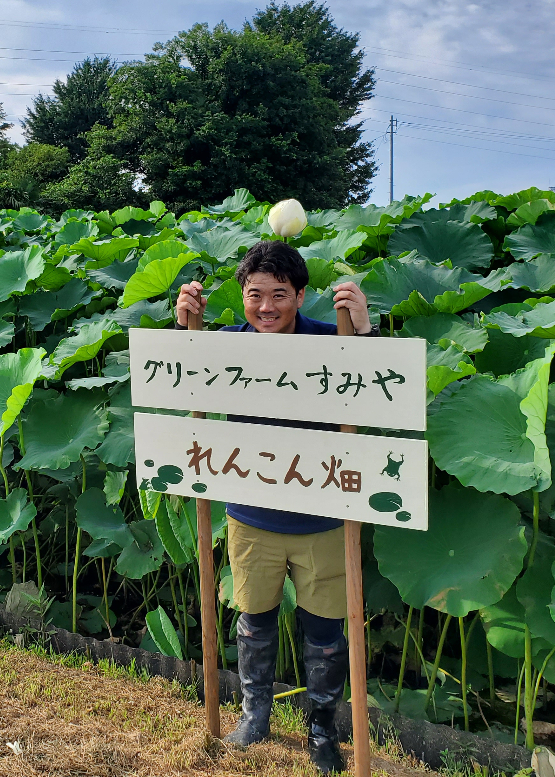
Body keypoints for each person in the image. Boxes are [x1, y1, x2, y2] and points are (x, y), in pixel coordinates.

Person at [174, 239, 378, 772]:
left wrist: (365, 332)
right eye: (255, 294)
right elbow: (183, 378)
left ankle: (322, 731)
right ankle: (254, 714)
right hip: (251, 513)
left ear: (302, 295)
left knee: (325, 628)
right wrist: (184, 329)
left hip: (323, 516)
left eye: (280, 295)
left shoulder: (333, 340)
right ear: (242, 295)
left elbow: (377, 389)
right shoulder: (226, 346)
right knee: (254, 616)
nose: (266, 307)